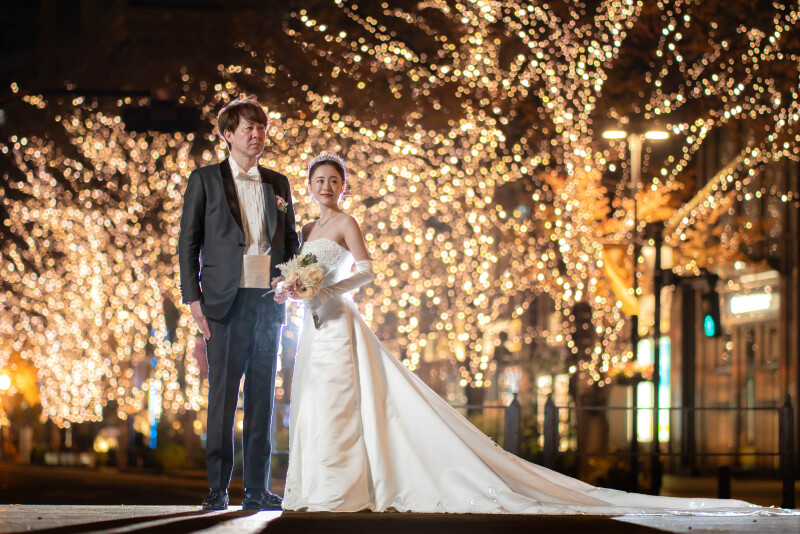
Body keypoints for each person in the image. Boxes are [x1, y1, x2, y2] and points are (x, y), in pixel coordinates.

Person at [277, 152, 790, 515]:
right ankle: (319, 484)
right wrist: (292, 288)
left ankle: (344, 489)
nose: (326, 186)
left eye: (334, 180)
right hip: (315, 328)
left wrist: (328, 286)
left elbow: (368, 272)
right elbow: (301, 274)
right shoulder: (307, 232)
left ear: (343, 186)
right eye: (319, 180)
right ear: (310, 185)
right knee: (317, 404)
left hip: (340, 322)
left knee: (343, 403)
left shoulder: (346, 223)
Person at [178, 95, 299, 511]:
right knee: (223, 396)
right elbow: (188, 243)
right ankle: (217, 489)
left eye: (261, 127)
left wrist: (289, 277)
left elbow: (290, 240)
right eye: (248, 127)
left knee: (263, 396)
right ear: (228, 135)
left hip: (268, 300)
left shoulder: (278, 183)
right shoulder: (205, 180)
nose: (256, 134)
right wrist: (193, 299)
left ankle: (257, 489)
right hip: (222, 302)